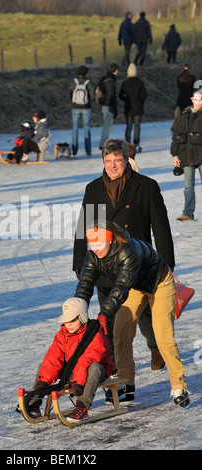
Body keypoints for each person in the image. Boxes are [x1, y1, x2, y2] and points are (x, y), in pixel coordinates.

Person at [73, 139, 175, 372]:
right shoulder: (95, 189)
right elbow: (84, 227)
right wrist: (80, 262)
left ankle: (156, 348)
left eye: (117, 160)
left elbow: (161, 228)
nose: (112, 166)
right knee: (108, 314)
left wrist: (167, 263)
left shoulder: (146, 186)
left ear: (126, 160)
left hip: (139, 262)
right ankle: (113, 360)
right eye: (107, 161)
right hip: (105, 262)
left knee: (146, 315)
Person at [75, 221, 190, 409]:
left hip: (160, 283)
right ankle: (126, 383)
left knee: (162, 337)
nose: (96, 249)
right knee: (121, 333)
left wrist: (104, 314)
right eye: (92, 245)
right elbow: (85, 282)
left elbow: (121, 287)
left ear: (110, 240)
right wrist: (77, 310)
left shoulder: (127, 250)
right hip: (136, 286)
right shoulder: (93, 256)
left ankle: (179, 386)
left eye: (99, 244)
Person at [22, 297, 114, 423]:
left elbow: (86, 361)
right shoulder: (63, 333)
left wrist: (78, 384)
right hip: (73, 372)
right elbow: (54, 356)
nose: (68, 324)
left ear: (82, 317)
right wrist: (42, 384)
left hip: (91, 374)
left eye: (72, 320)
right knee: (44, 365)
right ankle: (35, 403)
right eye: (66, 320)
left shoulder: (95, 333)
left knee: (95, 367)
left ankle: (82, 407)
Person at [171, 89, 202, 222]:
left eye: (201, 99)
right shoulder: (184, 115)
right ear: (192, 99)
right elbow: (176, 136)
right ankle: (187, 213)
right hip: (186, 154)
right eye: (196, 99)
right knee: (188, 187)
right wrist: (175, 155)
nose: (199, 102)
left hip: (201, 154)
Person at [119, 63, 147, 153]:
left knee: (129, 125)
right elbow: (144, 95)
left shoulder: (125, 83)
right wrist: (140, 101)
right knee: (137, 126)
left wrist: (126, 99)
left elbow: (120, 95)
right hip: (138, 107)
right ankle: (136, 143)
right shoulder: (140, 82)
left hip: (128, 107)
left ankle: (127, 143)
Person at [69, 65, 95, 156]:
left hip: (75, 107)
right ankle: (88, 151)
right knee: (86, 129)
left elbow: (70, 93)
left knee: (75, 129)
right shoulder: (88, 82)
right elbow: (92, 95)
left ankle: (74, 150)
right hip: (86, 107)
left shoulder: (74, 81)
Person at [97, 63, 119, 149]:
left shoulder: (105, 78)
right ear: (115, 71)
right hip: (108, 106)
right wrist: (114, 108)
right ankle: (102, 143)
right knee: (108, 127)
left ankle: (104, 142)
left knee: (107, 125)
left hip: (104, 106)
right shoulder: (110, 81)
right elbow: (111, 95)